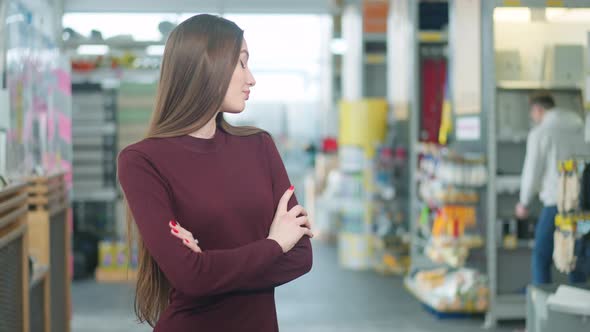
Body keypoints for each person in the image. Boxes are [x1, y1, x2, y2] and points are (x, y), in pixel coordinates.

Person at [117, 14, 314, 331]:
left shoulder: (259, 146)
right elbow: (190, 277)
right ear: (207, 66)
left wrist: (209, 266)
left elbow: (301, 257)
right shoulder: (142, 161)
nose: (251, 79)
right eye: (241, 64)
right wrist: (274, 244)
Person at [515, 91, 588, 285]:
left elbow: (532, 170)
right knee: (579, 257)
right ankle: (581, 309)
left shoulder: (540, 133)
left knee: (541, 255)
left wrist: (524, 201)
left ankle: (542, 308)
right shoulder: (581, 127)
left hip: (556, 204)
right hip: (584, 207)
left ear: (538, 109)